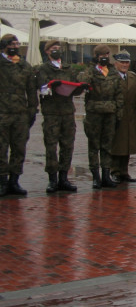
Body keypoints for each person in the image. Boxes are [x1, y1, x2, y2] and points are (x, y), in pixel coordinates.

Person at [36, 39, 78, 193]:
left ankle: (64, 177)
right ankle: (52, 179)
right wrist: (49, 86)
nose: (56, 50)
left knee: (67, 146)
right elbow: (41, 87)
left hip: (67, 112)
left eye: (58, 48)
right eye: (53, 48)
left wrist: (81, 88)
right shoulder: (43, 69)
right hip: (52, 112)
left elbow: (75, 86)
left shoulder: (68, 68)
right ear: (47, 51)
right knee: (51, 146)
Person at [79, 45, 123, 189]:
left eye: (107, 54)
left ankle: (106, 175)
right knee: (94, 145)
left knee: (107, 146)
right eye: (102, 55)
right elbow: (82, 80)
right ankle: (95, 177)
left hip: (110, 113)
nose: (105, 57)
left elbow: (119, 94)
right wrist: (93, 66)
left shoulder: (112, 72)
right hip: (94, 113)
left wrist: (119, 113)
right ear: (96, 56)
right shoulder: (91, 71)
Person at [0, 33, 38, 195]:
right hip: (2, 113)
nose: (14, 47)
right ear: (4, 46)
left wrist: (32, 110)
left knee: (19, 148)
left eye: (16, 44)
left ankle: (14, 181)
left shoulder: (24, 65)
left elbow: (31, 90)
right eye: (11, 44)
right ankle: (2, 181)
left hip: (21, 114)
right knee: (1, 149)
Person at [110, 51, 136, 183]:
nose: (124, 65)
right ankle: (114, 171)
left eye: (127, 62)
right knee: (117, 144)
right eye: (122, 62)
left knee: (128, 144)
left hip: (131, 114)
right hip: (117, 115)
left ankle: (124, 171)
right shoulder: (111, 77)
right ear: (116, 63)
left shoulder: (133, 76)